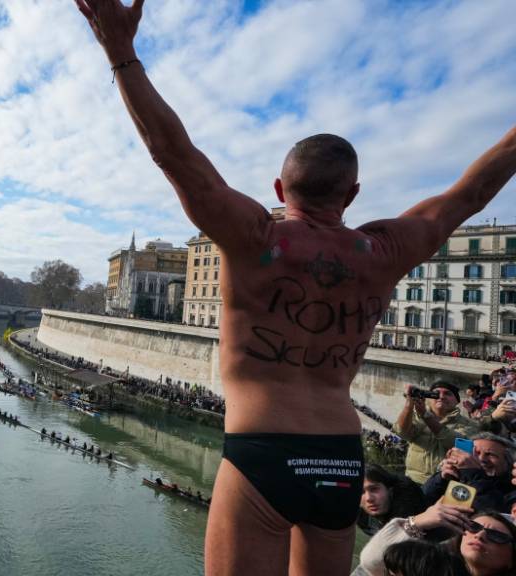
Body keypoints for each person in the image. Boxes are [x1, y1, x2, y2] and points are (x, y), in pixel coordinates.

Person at [74, 1, 516, 574]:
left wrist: (121, 53)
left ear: (279, 187)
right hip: (339, 453)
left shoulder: (254, 236)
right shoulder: (381, 252)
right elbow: (469, 195)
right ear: (353, 195)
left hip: (263, 448)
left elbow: (173, 153)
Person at [395, 381, 480, 483]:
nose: (441, 397)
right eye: (435, 394)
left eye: (447, 394)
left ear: (457, 401)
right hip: (413, 482)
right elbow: (402, 432)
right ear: (428, 399)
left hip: (446, 482)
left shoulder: (469, 424)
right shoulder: (417, 418)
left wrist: (426, 416)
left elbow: (458, 443)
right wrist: (409, 404)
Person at [423, 433, 515, 513]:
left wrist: (472, 474)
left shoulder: (512, 489)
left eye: (490, 454)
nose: (481, 459)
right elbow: (423, 502)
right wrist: (441, 479)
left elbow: (489, 512)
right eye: (476, 453)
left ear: (507, 461)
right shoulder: (458, 478)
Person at [357, 464, 426, 536]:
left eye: (374, 489)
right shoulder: (355, 511)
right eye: (361, 492)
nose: (369, 498)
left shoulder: (406, 500)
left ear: (390, 490)